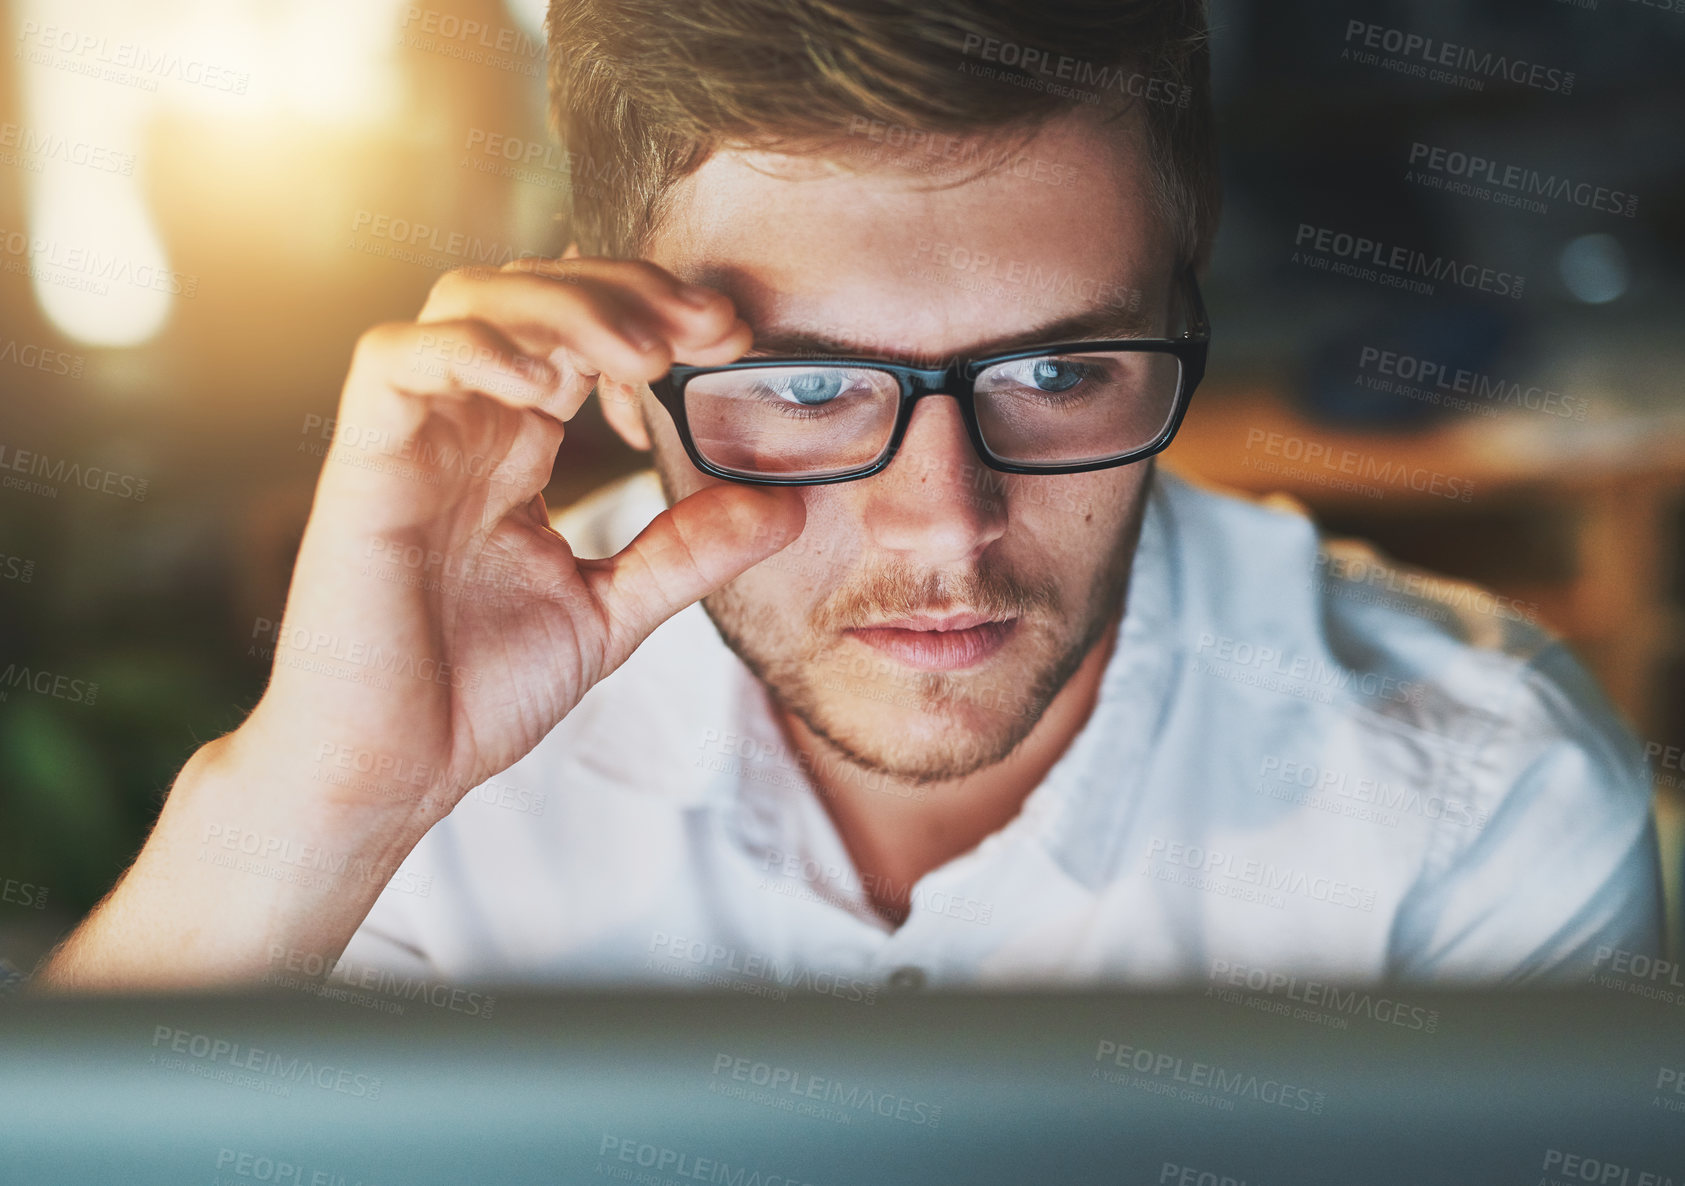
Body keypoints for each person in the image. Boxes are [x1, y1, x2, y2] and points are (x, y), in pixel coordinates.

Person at [34, 0, 1661, 995]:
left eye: (1054, 374)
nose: (946, 526)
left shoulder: (1480, 799)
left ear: (1185, 327)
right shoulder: (441, 758)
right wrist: (322, 808)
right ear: (616, 374)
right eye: (810, 387)